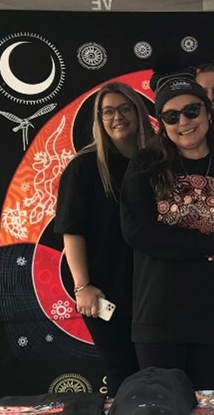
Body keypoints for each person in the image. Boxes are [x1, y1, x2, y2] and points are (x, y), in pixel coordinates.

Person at [119, 72, 214, 390]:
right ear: (162, 124)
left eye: (192, 110)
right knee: (166, 414)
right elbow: (137, 230)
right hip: (161, 317)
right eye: (172, 115)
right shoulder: (146, 163)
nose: (184, 121)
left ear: (208, 112)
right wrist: (212, 240)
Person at [54, 82, 152, 394]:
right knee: (122, 372)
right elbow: (72, 231)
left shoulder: (157, 161)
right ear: (99, 119)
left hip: (154, 289)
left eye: (125, 108)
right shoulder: (83, 168)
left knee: (158, 372)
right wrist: (82, 286)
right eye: (108, 111)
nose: (117, 117)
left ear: (138, 112)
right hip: (106, 293)